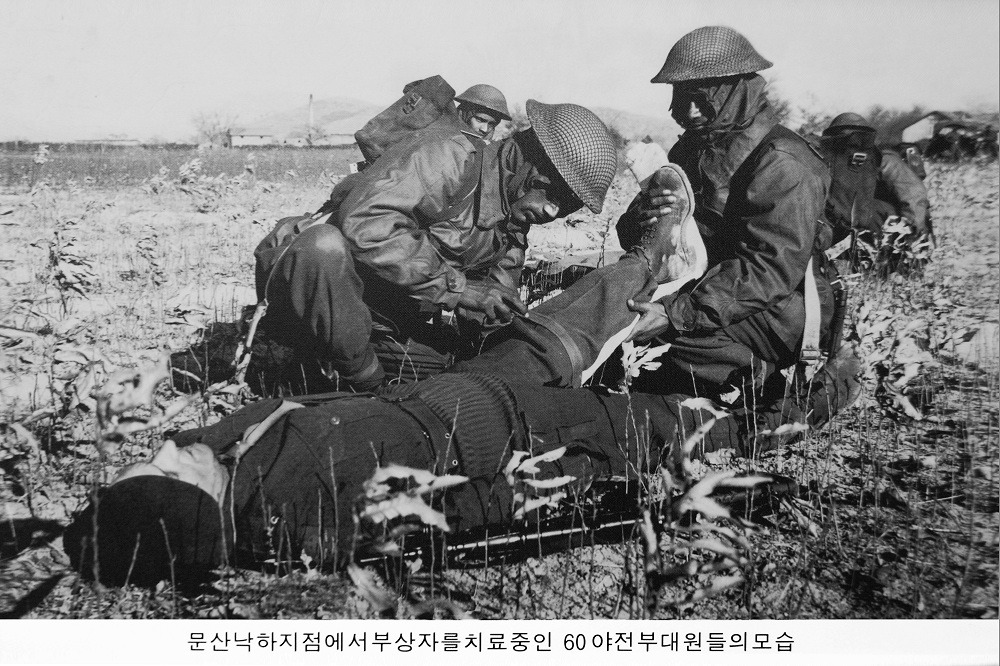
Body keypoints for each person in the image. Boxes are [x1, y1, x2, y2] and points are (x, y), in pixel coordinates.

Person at [249, 100, 618, 394]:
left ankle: (357, 373)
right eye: (554, 200)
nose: (551, 214)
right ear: (532, 174)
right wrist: (459, 289)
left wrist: (503, 333)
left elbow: (493, 300)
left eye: (565, 208)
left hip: (381, 315)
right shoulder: (449, 157)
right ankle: (357, 384)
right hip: (310, 288)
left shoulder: (513, 216)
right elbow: (366, 223)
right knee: (323, 246)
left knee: (450, 375)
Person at [609, 25, 850, 407]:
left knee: (666, 341)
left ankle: (760, 382)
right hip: (712, 290)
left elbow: (768, 270)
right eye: (682, 96)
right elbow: (642, 237)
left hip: (779, 311)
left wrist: (675, 315)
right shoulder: (694, 146)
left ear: (738, 90)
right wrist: (643, 216)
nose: (687, 111)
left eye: (702, 98)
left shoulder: (783, 161)